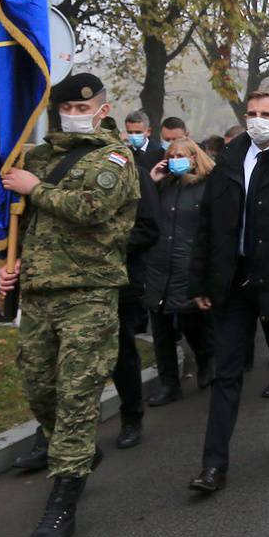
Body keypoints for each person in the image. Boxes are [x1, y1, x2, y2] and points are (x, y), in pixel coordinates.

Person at [0, 73, 140, 537]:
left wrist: (34, 188)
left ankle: (63, 500)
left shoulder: (115, 158)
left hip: (89, 293)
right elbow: (24, 221)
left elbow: (94, 209)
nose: (74, 115)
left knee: (77, 393)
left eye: (83, 108)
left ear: (101, 109)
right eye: (65, 109)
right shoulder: (35, 158)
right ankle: (75, 449)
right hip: (38, 291)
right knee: (39, 386)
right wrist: (9, 267)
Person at [186, 90, 269, 495]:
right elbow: (207, 223)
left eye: (266, 114)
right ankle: (213, 465)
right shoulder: (227, 159)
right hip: (232, 279)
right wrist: (201, 280)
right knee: (227, 371)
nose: (257, 120)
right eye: (252, 113)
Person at [143, 138, 214, 405]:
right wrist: (152, 182)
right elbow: (142, 213)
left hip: (189, 268)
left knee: (191, 324)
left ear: (194, 158)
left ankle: (206, 359)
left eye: (180, 155)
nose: (175, 160)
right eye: (171, 156)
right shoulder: (163, 186)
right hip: (160, 268)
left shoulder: (207, 187)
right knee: (160, 331)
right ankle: (169, 383)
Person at [108, 124, 161, 450]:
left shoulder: (135, 174)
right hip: (74, 283)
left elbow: (148, 228)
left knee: (120, 353)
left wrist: (107, 244)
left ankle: (131, 415)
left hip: (120, 279)